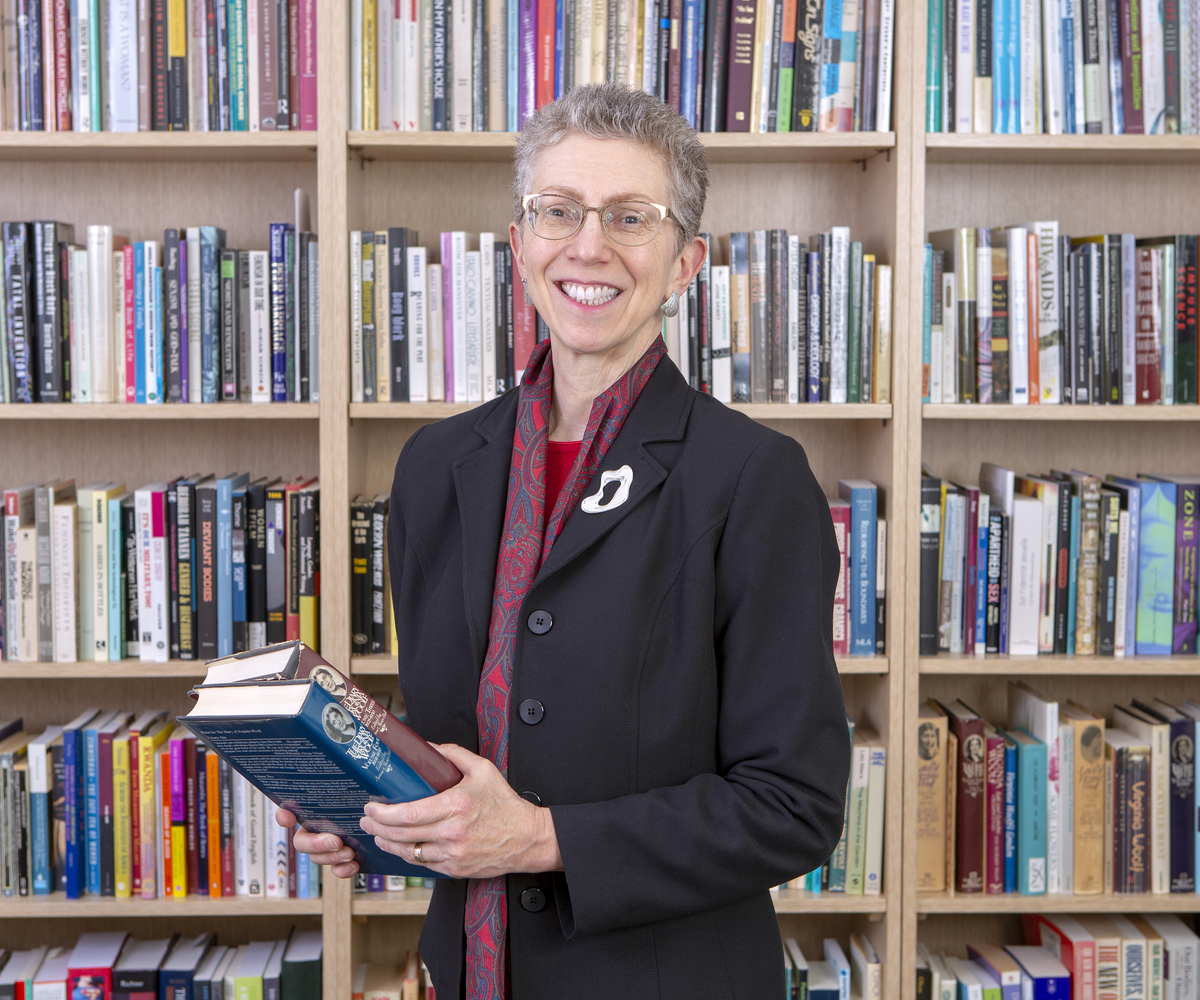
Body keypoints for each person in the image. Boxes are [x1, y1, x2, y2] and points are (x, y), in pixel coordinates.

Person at [282, 83, 850, 999]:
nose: (589, 246)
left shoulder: (753, 478)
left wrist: (541, 838)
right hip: (472, 972)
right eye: (557, 212)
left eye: (631, 217)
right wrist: (361, 811)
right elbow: (456, 751)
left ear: (684, 263)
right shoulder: (435, 467)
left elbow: (795, 809)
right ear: (519, 244)